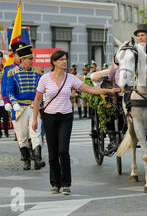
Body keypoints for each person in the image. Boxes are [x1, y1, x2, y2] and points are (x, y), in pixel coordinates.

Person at [32, 50, 120, 195]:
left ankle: (66, 184)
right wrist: (35, 119)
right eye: (61, 60)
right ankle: (55, 183)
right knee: (53, 152)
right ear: (54, 62)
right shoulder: (45, 79)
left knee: (63, 151)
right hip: (49, 117)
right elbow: (37, 99)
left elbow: (90, 89)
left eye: (65, 59)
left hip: (66, 117)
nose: (64, 62)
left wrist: (108, 91)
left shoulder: (71, 78)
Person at [6, 44, 46, 170]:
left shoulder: (38, 72)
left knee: (36, 133)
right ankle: (26, 160)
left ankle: (38, 159)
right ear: (22, 60)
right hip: (20, 108)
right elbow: (9, 91)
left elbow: (42, 89)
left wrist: (43, 99)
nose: (32, 61)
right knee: (22, 136)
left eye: (32, 58)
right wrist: (14, 103)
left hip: (34, 107)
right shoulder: (12, 73)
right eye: (29, 59)